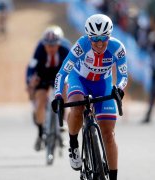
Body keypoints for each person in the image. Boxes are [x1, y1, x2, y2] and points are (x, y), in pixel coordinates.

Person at [51, 14, 128, 180]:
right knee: (77, 106)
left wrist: (119, 89)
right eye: (95, 39)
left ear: (109, 36)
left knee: (109, 134)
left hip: (103, 84)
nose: (100, 43)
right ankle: (73, 144)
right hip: (79, 80)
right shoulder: (81, 46)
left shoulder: (118, 48)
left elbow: (123, 76)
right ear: (88, 37)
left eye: (104, 38)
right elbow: (62, 73)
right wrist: (58, 95)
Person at [26, 25, 70, 151]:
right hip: (43, 75)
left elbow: (75, 67)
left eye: (54, 45)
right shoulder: (39, 48)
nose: (50, 48)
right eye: (47, 45)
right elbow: (30, 67)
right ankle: (40, 132)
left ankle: (62, 119)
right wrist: (30, 82)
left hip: (59, 75)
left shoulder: (66, 48)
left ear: (59, 43)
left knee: (66, 89)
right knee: (41, 100)